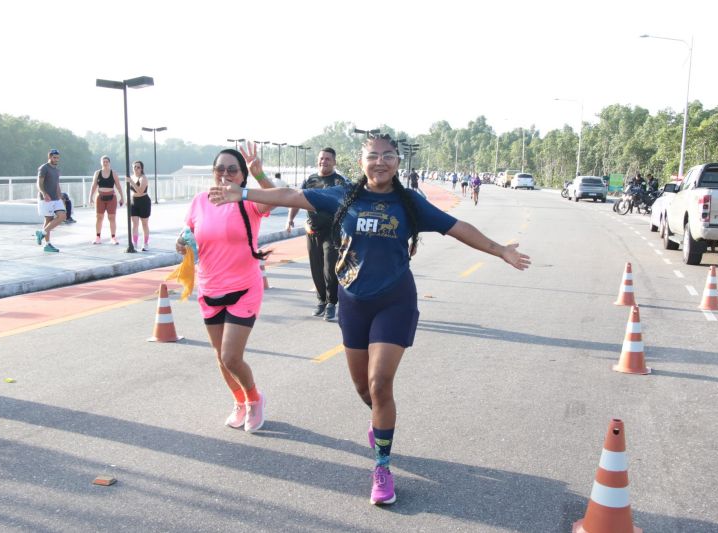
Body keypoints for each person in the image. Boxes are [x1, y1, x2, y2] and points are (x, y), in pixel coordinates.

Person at [208, 133, 531, 506]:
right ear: (361, 162)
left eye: (388, 156)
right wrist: (243, 193)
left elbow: (457, 227)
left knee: (379, 384)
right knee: (364, 390)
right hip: (353, 303)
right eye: (373, 156)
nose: (380, 162)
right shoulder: (343, 196)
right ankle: (380, 425)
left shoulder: (410, 203)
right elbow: (289, 196)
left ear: (397, 161)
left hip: (395, 300)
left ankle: (382, 466)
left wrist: (499, 250)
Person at [176, 142, 276, 434]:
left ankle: (255, 399)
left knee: (232, 356)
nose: (226, 174)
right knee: (221, 358)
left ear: (241, 176)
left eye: (233, 170)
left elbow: (277, 200)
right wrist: (181, 245)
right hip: (209, 289)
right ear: (213, 172)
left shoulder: (249, 199)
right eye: (220, 169)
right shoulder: (199, 202)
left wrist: (259, 175)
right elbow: (186, 238)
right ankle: (240, 402)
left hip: (244, 288)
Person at [285, 148, 347, 321]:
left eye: (328, 159)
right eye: (321, 158)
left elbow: (349, 205)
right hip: (312, 231)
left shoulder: (340, 181)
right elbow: (296, 198)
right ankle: (321, 300)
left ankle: (331, 303)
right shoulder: (310, 180)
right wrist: (290, 219)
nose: (324, 161)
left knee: (329, 268)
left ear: (334, 162)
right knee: (316, 268)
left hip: (333, 233)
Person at [35, 149, 67, 252]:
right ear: (49, 157)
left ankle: (42, 233)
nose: (56, 159)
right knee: (48, 219)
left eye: (57, 158)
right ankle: (47, 245)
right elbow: (39, 183)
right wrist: (44, 193)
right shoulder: (44, 168)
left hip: (56, 198)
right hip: (46, 198)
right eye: (54, 157)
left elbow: (57, 184)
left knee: (62, 216)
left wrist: (60, 197)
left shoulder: (57, 170)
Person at [89, 155, 125, 244]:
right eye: (103, 161)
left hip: (111, 197)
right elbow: (93, 186)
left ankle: (113, 237)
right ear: (101, 163)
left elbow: (118, 186)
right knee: (99, 217)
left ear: (109, 163)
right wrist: (90, 198)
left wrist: (122, 197)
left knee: (112, 217)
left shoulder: (113, 173)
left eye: (107, 162)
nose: (105, 163)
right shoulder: (97, 173)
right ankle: (98, 237)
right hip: (100, 197)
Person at [129, 160, 152, 251]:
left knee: (144, 224)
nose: (136, 169)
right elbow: (130, 190)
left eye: (138, 167)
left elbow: (140, 191)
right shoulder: (132, 177)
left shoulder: (143, 178)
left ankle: (145, 243)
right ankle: (134, 243)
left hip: (143, 201)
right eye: (134, 167)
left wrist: (131, 181)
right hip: (134, 201)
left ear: (141, 168)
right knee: (134, 224)